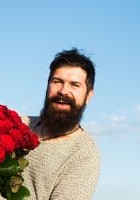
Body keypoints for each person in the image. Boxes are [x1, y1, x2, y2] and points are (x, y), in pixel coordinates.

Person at [21, 47, 100, 200]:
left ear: (88, 96)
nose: (63, 91)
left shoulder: (84, 154)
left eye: (75, 85)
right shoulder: (17, 124)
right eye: (57, 81)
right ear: (47, 85)